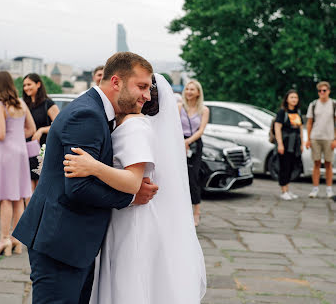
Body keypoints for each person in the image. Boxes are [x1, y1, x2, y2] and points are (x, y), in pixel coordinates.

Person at [13, 52, 159, 304]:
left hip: (72, 243)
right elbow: (78, 187)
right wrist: (131, 197)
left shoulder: (97, 111)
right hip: (60, 242)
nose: (147, 95)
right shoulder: (87, 115)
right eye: (142, 86)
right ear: (116, 82)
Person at [64, 73, 207, 303]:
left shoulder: (134, 127)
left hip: (130, 217)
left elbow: (132, 180)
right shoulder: (149, 128)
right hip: (142, 213)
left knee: (128, 278)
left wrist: (93, 167)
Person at [0, 71, 36, 256]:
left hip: (7, 154)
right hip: (20, 153)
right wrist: (18, 137)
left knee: (5, 198)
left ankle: (4, 238)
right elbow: (31, 129)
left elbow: (1, 134)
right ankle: (17, 240)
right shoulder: (21, 103)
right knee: (18, 198)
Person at [22, 73, 60, 196]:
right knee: (28, 186)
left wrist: (42, 130)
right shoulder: (25, 105)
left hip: (43, 150)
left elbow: (60, 125)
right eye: (24, 85)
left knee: (40, 185)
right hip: (27, 148)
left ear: (38, 84)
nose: (26, 87)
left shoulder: (47, 104)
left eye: (29, 84)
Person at [178, 80, 209, 226]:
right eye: (187, 89)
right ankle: (180, 211)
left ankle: (196, 211)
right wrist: (181, 142)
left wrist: (188, 142)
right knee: (179, 177)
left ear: (198, 93)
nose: (189, 92)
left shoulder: (204, 110)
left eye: (192, 89)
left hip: (194, 144)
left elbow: (201, 130)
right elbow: (174, 127)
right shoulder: (179, 107)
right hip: (179, 143)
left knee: (193, 177)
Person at [306, 81, 336, 198]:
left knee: (329, 164)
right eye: (320, 91)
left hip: (329, 138)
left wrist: (335, 139)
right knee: (316, 163)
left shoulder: (333, 104)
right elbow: (309, 123)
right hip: (315, 137)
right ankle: (315, 189)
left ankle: (329, 189)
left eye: (324, 90)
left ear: (328, 91)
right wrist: (308, 139)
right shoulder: (313, 104)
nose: (322, 93)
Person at [274, 90, 303, 200]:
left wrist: (302, 142)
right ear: (287, 99)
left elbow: (300, 128)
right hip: (285, 143)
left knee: (291, 166)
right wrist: (280, 144)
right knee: (284, 166)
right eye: (292, 97)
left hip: (295, 143)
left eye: (296, 97)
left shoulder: (298, 112)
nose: (294, 99)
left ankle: (288, 189)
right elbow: (277, 128)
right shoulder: (282, 112)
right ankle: (283, 190)